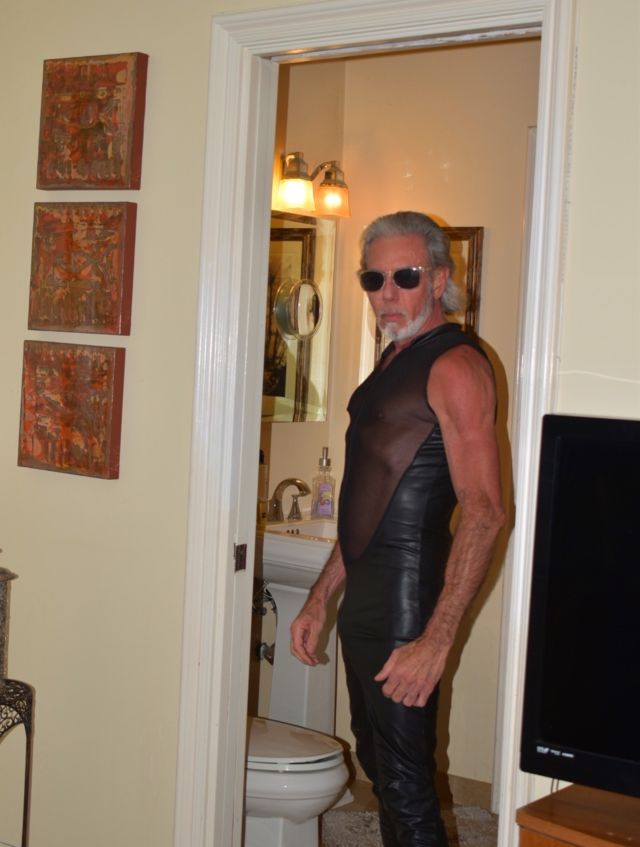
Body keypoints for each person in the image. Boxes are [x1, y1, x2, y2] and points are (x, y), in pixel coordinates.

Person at [290, 211, 506, 847]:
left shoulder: (456, 365)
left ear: (438, 279)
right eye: (374, 278)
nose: (387, 293)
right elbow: (368, 500)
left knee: (408, 791)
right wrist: (320, 597)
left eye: (405, 277)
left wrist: (435, 640)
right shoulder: (393, 358)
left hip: (406, 611)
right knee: (382, 772)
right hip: (366, 603)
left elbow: (485, 511)